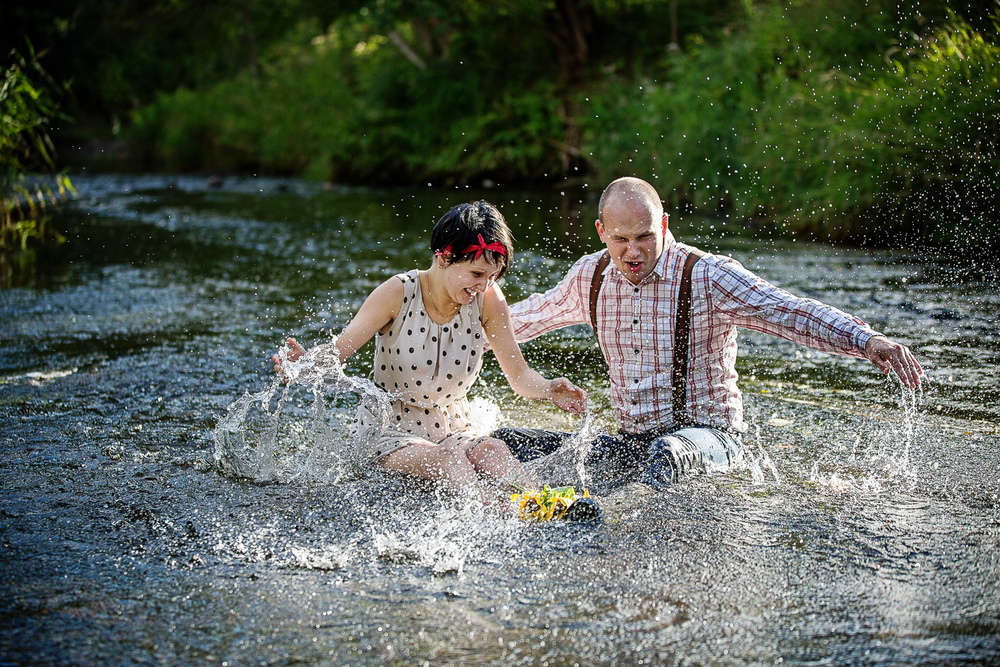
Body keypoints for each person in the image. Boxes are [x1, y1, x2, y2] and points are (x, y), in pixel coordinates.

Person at [492, 177, 923, 491]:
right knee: (509, 443)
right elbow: (515, 322)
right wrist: (444, 319)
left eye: (644, 237)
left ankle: (639, 542)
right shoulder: (591, 276)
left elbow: (787, 310)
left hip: (709, 439)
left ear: (663, 226)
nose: (633, 252)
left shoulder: (707, 276)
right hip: (632, 444)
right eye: (620, 240)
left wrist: (867, 340)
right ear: (602, 232)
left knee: (668, 454)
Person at [273, 201, 587, 503]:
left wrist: (547, 389)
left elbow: (519, 376)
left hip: (453, 426)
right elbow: (337, 353)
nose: (484, 285)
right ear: (444, 257)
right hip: (389, 429)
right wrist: (303, 366)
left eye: (492, 277)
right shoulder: (397, 293)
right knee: (449, 461)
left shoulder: (488, 298)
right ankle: (500, 515)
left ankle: (547, 504)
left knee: (493, 449)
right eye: (477, 274)